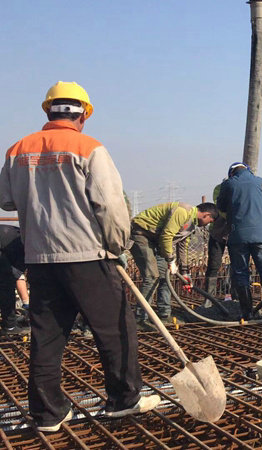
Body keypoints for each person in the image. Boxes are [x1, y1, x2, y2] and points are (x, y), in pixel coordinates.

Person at [0, 81, 159, 432]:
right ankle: (123, 399)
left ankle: (48, 414)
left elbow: (6, 200)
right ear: (83, 115)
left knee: (47, 337)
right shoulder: (90, 148)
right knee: (115, 330)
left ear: (48, 111)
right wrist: (117, 246)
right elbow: (110, 205)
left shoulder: (17, 150)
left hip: (39, 259)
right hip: (87, 256)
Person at [130, 202, 218, 325]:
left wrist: (185, 272)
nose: (207, 225)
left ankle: (164, 315)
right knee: (152, 277)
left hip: (157, 241)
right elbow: (167, 236)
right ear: (206, 215)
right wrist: (171, 260)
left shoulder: (191, 226)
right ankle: (140, 319)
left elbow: (183, 247)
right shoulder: (183, 212)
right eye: (209, 221)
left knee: (165, 277)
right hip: (141, 234)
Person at [216, 162, 262, 320]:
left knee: (241, 273)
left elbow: (221, 207)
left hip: (237, 236)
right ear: (248, 170)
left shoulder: (228, 184)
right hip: (261, 235)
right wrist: (260, 217)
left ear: (231, 173)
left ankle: (247, 313)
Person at [0, 225, 28, 335]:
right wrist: (26, 303)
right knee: (6, 286)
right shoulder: (29, 249)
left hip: (4, 243)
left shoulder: (23, 236)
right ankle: (10, 327)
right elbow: (17, 277)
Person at [205, 180, 230, 300]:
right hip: (217, 234)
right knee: (213, 265)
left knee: (238, 266)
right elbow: (220, 207)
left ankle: (236, 297)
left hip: (235, 234)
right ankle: (209, 298)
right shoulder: (219, 188)